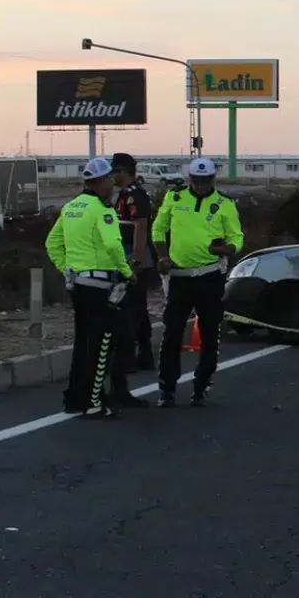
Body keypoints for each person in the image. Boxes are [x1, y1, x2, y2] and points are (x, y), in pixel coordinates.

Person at [44, 157, 135, 418]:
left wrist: (67, 269)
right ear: (102, 181)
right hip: (101, 285)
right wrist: (128, 272)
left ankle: (75, 398)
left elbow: (52, 244)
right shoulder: (101, 210)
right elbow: (112, 245)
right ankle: (94, 401)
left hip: (79, 284)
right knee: (103, 343)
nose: (113, 185)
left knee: (83, 342)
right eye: (110, 180)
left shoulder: (71, 207)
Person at [151, 157, 244, 408]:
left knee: (210, 334)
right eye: (197, 180)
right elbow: (158, 229)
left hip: (210, 276)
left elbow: (237, 236)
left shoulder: (224, 204)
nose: (201, 185)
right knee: (171, 333)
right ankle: (167, 388)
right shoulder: (175, 198)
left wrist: (226, 249)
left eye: (206, 180)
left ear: (213, 179)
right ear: (189, 179)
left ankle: (201, 386)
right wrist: (162, 256)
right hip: (180, 277)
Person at [111, 153, 158, 376]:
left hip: (135, 257)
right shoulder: (120, 195)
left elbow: (140, 228)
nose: (112, 176)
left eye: (115, 171)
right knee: (130, 308)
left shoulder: (135, 195)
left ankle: (138, 356)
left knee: (133, 309)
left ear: (123, 171)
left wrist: (136, 262)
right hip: (125, 255)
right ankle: (137, 355)